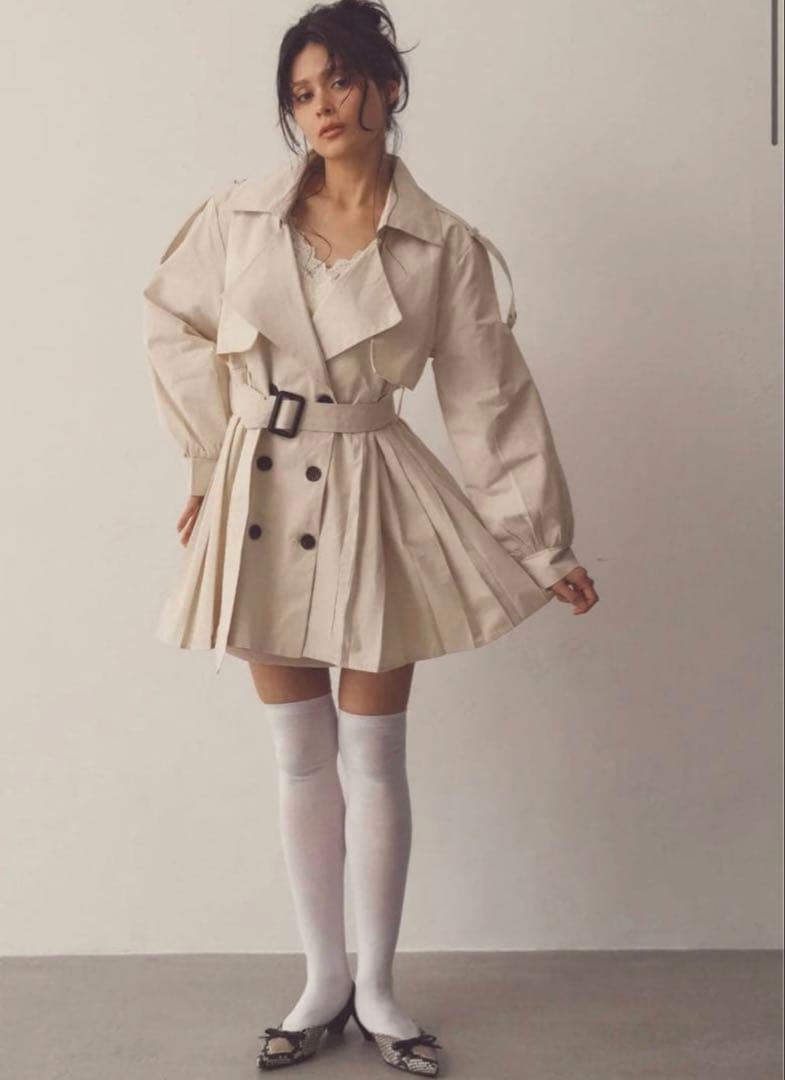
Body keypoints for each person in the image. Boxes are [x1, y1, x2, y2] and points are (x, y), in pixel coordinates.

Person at [142, 0, 599, 1073]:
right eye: (301, 93)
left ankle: (381, 990)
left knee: (374, 754)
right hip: (262, 494)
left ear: (386, 88)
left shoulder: (443, 246)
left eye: (340, 81)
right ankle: (322, 982)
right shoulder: (237, 218)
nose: (321, 107)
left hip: (372, 494)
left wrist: (543, 545)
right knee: (298, 757)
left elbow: (489, 398)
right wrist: (208, 461)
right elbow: (171, 320)